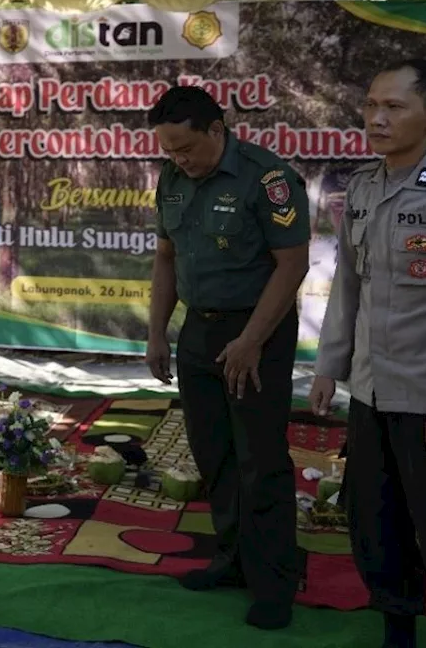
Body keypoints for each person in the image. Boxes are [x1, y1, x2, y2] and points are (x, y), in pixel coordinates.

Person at [309, 59, 426, 648]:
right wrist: (331, 368)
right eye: (370, 106)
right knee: (375, 522)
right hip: (372, 391)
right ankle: (397, 630)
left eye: (394, 107)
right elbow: (348, 287)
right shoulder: (361, 188)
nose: (376, 119)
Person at [144, 85, 310, 631]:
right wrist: (156, 334)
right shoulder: (172, 180)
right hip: (199, 332)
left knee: (260, 460)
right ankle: (234, 559)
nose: (178, 160)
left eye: (186, 148)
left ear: (217, 130)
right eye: (168, 151)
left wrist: (252, 341)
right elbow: (166, 258)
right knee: (213, 453)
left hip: (256, 331)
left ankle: (275, 582)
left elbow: (292, 266)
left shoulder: (268, 178)